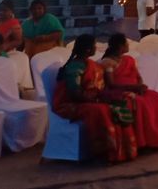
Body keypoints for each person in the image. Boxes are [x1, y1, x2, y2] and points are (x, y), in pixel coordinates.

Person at [52, 34, 137, 163]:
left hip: (88, 100)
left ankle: (123, 151)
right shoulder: (75, 67)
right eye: (93, 46)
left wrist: (102, 97)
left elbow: (97, 88)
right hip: (70, 104)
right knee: (102, 111)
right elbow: (74, 93)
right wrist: (96, 99)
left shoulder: (90, 64)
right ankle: (104, 152)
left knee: (117, 105)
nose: (95, 48)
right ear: (87, 49)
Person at [100, 33, 158, 149]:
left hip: (134, 89)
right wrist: (133, 88)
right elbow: (111, 84)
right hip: (118, 92)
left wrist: (140, 86)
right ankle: (144, 142)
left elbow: (138, 77)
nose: (128, 46)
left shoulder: (129, 59)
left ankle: (157, 138)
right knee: (141, 103)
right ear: (120, 46)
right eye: (126, 44)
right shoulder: (107, 62)